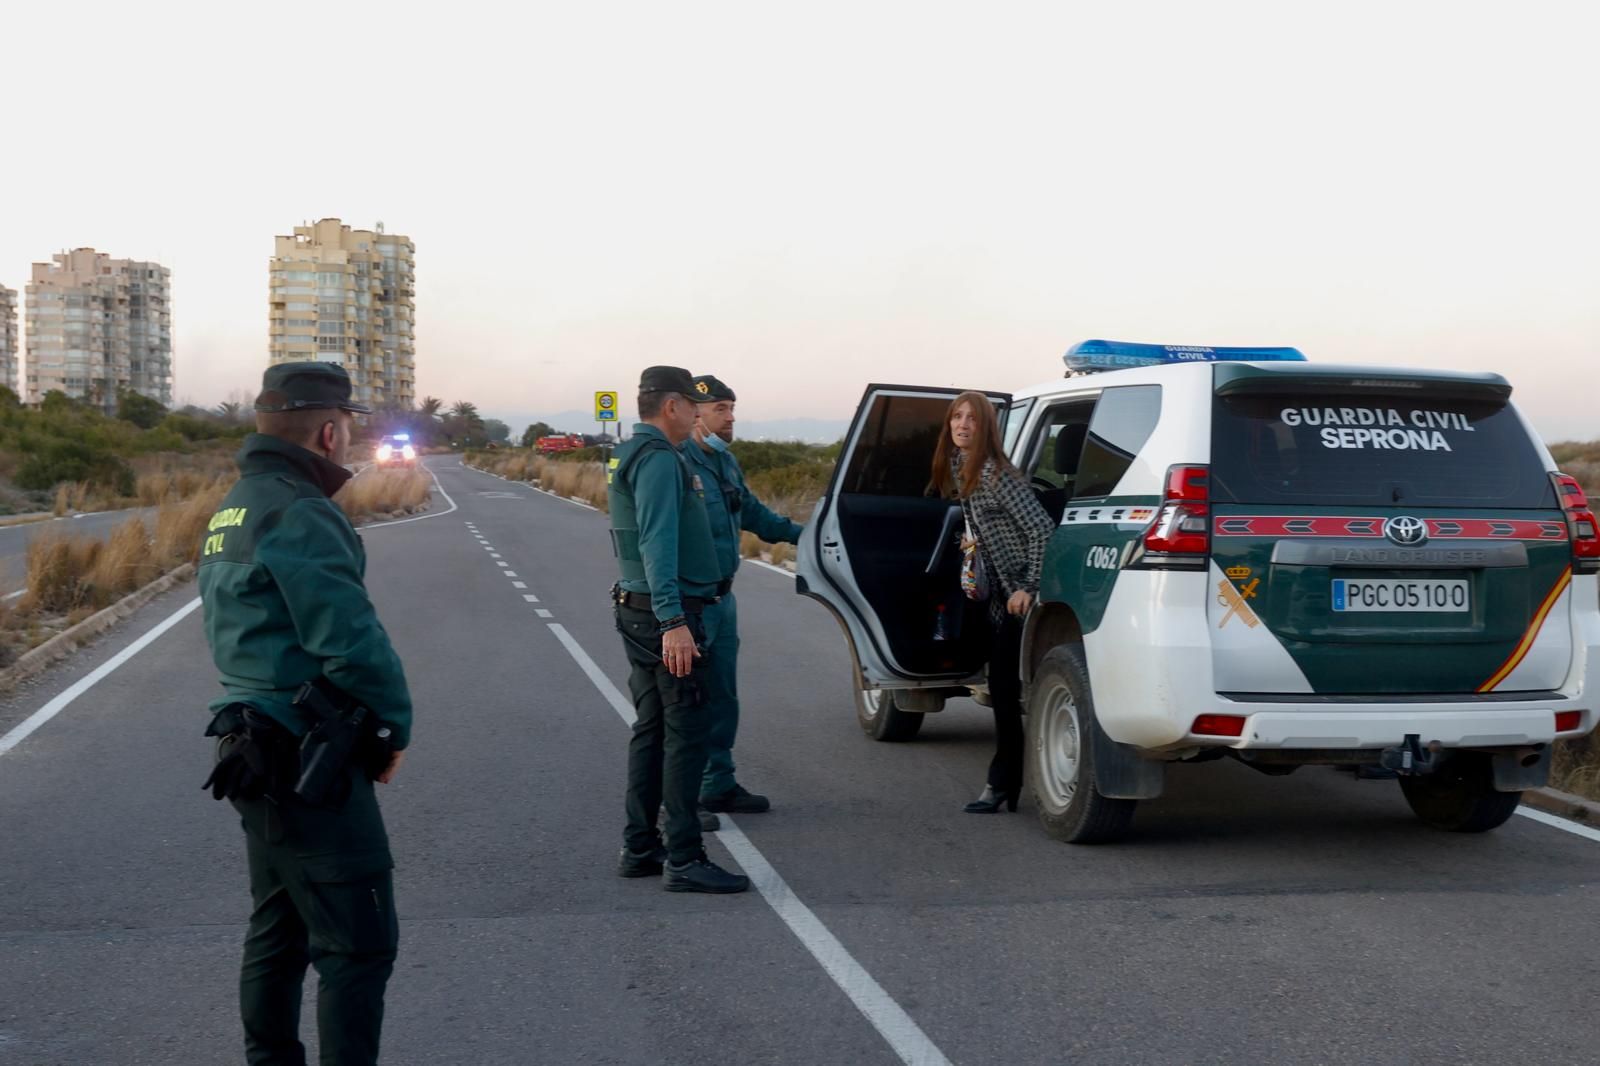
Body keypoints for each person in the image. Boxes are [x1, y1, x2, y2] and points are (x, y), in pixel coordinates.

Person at [197, 362, 413, 1065]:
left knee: (281, 930)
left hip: (250, 747)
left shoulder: (237, 503)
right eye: (347, 426)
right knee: (359, 946)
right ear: (328, 432)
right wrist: (390, 730)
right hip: (304, 754)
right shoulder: (301, 510)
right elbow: (351, 644)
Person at [609, 366, 750, 894]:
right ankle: (685, 857)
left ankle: (640, 846)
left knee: (650, 730)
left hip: (640, 608)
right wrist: (674, 622)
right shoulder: (662, 461)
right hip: (666, 613)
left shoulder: (630, 452)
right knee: (685, 735)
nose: (696, 413)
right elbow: (656, 541)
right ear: (671, 407)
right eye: (692, 404)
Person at [681, 374, 804, 818]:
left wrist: (805, 536)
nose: (731, 417)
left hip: (722, 601)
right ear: (695, 414)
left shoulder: (725, 463)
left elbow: (752, 513)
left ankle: (718, 784)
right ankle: (678, 801)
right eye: (722, 409)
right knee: (686, 705)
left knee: (723, 698)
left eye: (733, 408)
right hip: (689, 605)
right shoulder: (677, 463)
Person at [930, 391, 1054, 814]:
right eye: (956, 417)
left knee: (1005, 689)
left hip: (1015, 596)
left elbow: (1041, 528)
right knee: (1000, 689)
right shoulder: (960, 467)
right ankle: (1004, 782)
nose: (963, 425)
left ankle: (1002, 782)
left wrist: (1029, 586)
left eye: (973, 420)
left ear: (987, 428)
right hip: (992, 595)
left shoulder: (995, 473)